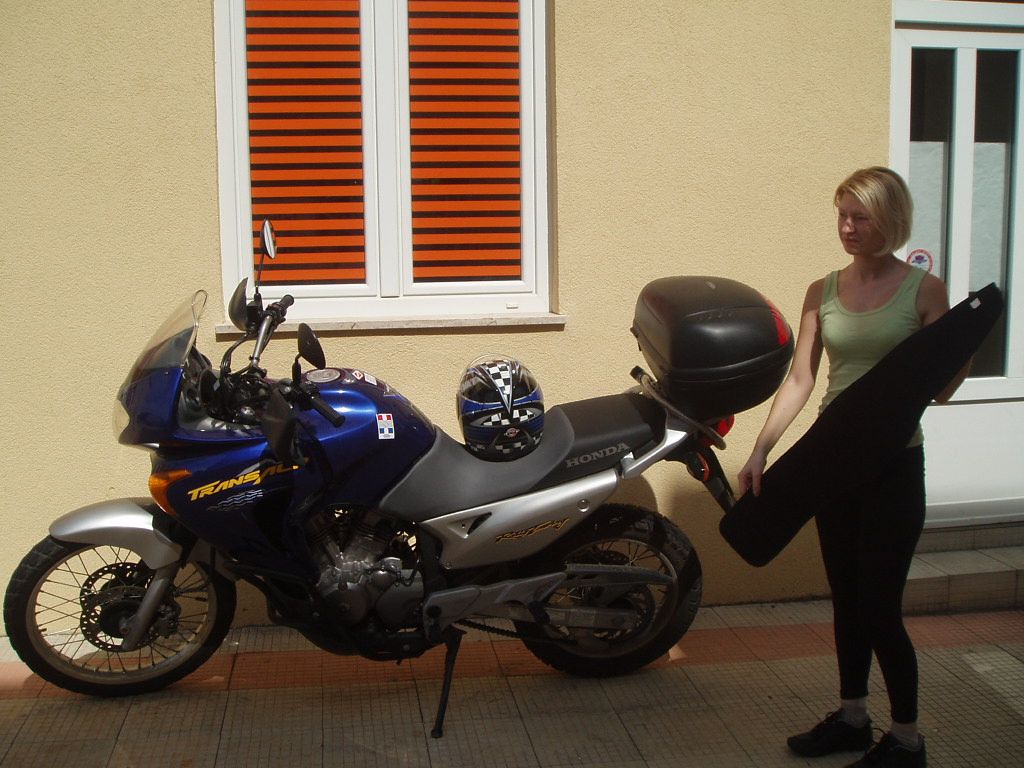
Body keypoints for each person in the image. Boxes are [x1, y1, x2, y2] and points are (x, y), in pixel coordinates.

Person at [737, 167, 969, 768]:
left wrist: (963, 353)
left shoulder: (924, 291)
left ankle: (908, 738)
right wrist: (762, 448)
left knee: (879, 605)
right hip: (833, 463)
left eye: (859, 216)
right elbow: (801, 378)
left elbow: (942, 388)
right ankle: (852, 718)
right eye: (841, 214)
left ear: (888, 219)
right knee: (845, 597)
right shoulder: (822, 290)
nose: (846, 227)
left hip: (894, 464)